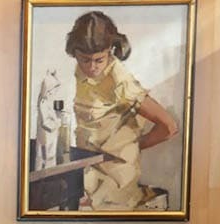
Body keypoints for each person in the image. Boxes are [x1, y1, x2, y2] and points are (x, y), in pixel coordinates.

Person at [67, 11, 179, 210]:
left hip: (116, 178)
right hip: (86, 171)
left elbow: (169, 127)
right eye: (84, 59)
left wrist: (130, 147)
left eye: (99, 60)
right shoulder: (81, 72)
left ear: (110, 51)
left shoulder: (120, 81)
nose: (91, 67)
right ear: (74, 53)